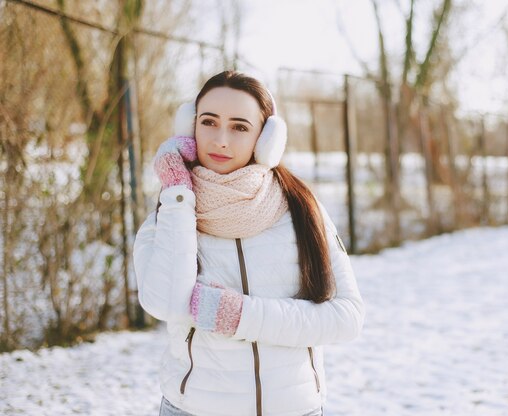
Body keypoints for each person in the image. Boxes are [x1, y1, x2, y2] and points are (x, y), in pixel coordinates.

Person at [133, 70, 365, 416]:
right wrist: (179, 192)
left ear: (265, 139)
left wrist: (241, 316)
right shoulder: (171, 213)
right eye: (209, 122)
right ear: (189, 128)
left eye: (240, 127)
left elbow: (347, 317)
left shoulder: (302, 209)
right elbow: (165, 303)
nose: (221, 140)